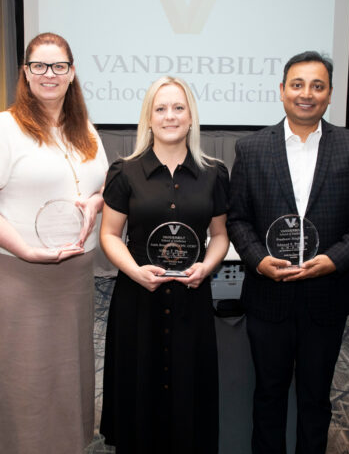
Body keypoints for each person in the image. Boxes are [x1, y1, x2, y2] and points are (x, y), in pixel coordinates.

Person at [227, 51, 349, 453]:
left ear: (330, 94)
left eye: (318, 86)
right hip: (269, 296)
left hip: (326, 298)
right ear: (282, 91)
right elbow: (237, 219)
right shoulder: (251, 149)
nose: (306, 94)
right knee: (268, 395)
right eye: (297, 85)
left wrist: (336, 260)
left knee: (316, 399)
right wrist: (258, 259)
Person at [0, 33, 107, 453]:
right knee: (22, 373)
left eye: (58, 66)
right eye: (39, 66)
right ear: (25, 72)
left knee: (68, 370)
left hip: (74, 272)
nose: (49, 74)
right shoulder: (3, 127)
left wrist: (96, 201)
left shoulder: (86, 131)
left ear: (72, 72)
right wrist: (25, 249)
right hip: (19, 273)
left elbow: (103, 189)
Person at [99, 76, 229, 453]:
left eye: (178, 108)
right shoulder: (124, 171)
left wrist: (207, 265)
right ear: (149, 118)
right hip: (138, 300)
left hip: (192, 298)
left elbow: (220, 236)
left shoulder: (214, 173)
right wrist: (135, 271)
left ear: (191, 117)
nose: (170, 116)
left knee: (191, 394)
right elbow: (109, 235)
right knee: (140, 391)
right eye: (161, 109)